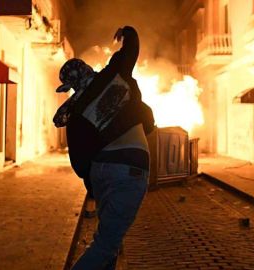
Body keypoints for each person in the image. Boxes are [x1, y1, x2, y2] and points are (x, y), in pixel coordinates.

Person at [53, 26, 155, 269]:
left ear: (70, 87)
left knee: (108, 244)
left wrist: (94, 184)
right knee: (106, 245)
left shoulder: (76, 113)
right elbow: (130, 50)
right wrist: (127, 32)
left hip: (101, 174)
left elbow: (79, 163)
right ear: (87, 70)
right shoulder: (112, 75)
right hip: (129, 169)